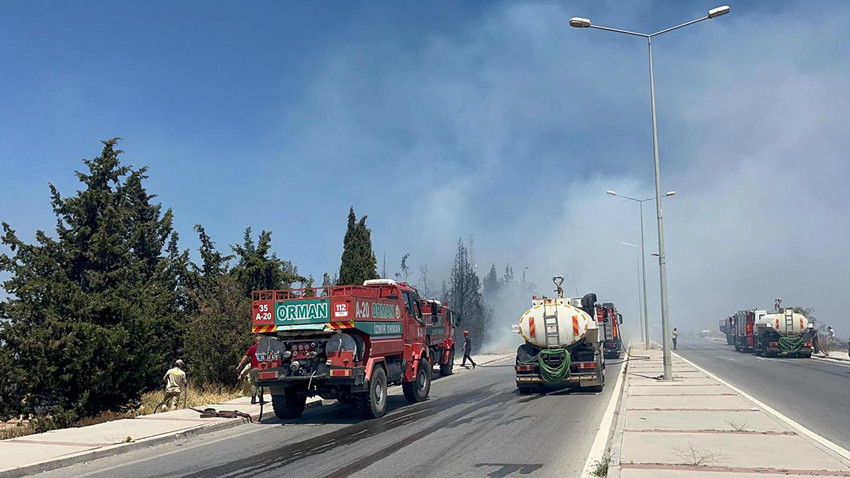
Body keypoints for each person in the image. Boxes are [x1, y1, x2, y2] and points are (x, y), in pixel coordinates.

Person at [236, 335, 264, 404]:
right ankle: (260, 397)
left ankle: (253, 398)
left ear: (256, 341)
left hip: (253, 368)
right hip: (262, 368)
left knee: (254, 383)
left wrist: (240, 365)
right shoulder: (264, 348)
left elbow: (245, 356)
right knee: (261, 382)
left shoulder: (252, 348)